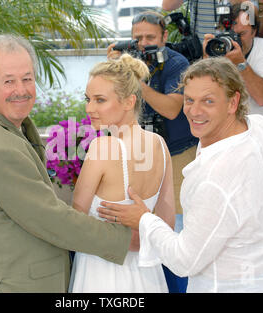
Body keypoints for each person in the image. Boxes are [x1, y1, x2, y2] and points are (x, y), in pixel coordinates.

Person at [98, 57, 263, 292]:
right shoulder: (262, 127)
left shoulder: (216, 178)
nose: (194, 111)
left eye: (208, 101)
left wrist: (144, 219)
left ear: (233, 102)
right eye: (189, 99)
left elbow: (185, 261)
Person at [0, 34, 132, 292]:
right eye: (9, 81)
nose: (21, 90)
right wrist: (125, 240)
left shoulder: (1, 125)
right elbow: (51, 219)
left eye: (27, 79)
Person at [68, 54, 175, 292]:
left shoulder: (102, 148)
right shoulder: (159, 144)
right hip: (148, 274)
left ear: (129, 102)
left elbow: (75, 224)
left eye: (100, 100)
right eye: (88, 99)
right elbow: (166, 225)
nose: (89, 108)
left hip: (102, 273)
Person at [107, 10, 195, 292]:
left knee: (174, 232)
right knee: (143, 231)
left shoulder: (176, 62)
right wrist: (113, 72)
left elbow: (171, 109)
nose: (143, 44)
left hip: (178, 155)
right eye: (137, 39)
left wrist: (136, 82)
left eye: (150, 37)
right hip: (140, 156)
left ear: (165, 36)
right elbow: (109, 108)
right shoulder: (125, 64)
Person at [203, 1, 263, 124]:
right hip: (230, 131)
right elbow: (204, 95)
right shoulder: (217, 51)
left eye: (241, 34)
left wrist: (240, 63)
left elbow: (262, 98)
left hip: (262, 130)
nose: (235, 40)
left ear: (254, 32)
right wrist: (206, 60)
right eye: (230, 34)